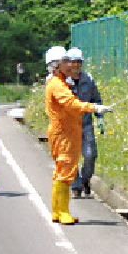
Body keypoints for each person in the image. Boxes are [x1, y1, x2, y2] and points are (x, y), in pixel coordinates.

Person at [45, 48, 112, 224]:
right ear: (56, 65)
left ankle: (58, 211)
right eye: (65, 62)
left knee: (63, 170)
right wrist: (93, 108)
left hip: (68, 131)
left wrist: (95, 109)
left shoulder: (61, 81)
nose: (70, 65)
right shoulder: (58, 84)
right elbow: (70, 103)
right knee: (65, 171)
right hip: (64, 133)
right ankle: (62, 211)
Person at [65, 48, 103, 198]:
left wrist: (99, 117)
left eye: (78, 62)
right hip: (68, 126)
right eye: (73, 62)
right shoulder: (62, 82)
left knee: (90, 155)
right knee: (71, 157)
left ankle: (85, 180)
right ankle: (75, 186)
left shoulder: (88, 80)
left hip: (86, 124)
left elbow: (96, 100)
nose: (76, 65)